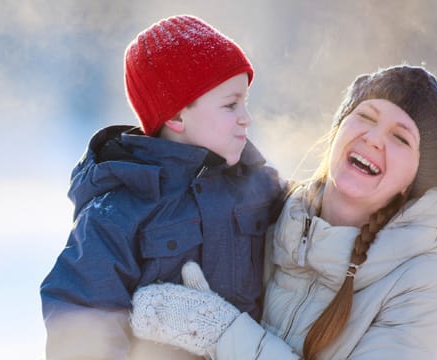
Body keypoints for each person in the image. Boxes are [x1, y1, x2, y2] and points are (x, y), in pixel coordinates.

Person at [130, 65, 437, 360]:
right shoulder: (266, 213)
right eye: (366, 117)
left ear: (415, 180)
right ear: (338, 130)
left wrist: (221, 333)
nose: (373, 138)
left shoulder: (419, 285)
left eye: (400, 137)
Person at [39, 14, 285, 360]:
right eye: (231, 104)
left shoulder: (258, 187)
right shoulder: (120, 207)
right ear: (176, 117)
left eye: (246, 102)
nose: (246, 117)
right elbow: (83, 312)